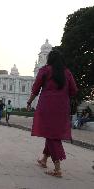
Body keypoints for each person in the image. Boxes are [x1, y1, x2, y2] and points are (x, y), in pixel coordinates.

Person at [27, 50, 78, 178]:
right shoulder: (67, 72)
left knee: (51, 135)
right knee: (53, 133)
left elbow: (35, 89)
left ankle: (57, 169)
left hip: (47, 106)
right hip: (62, 108)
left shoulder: (45, 70)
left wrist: (29, 102)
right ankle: (44, 159)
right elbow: (73, 90)